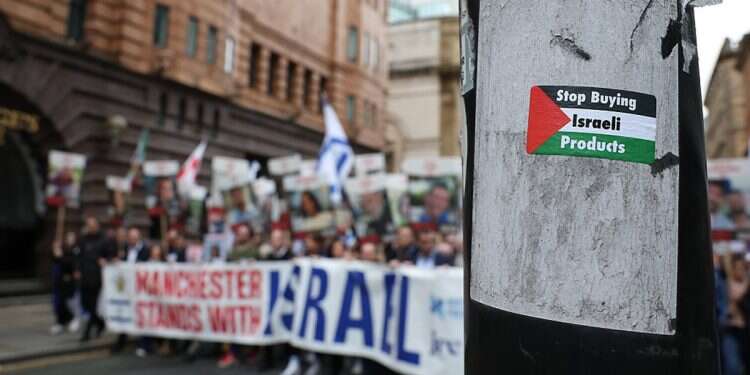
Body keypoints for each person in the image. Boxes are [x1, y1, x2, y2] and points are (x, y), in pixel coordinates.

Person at [76, 216, 107, 342]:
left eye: (93, 225)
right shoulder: (83, 240)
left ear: (97, 226)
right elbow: (78, 256)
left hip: (97, 277)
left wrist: (105, 261)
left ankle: (87, 332)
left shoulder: (103, 240)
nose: (91, 227)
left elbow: (109, 255)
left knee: (93, 305)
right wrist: (77, 269)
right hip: (85, 277)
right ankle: (100, 323)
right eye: (89, 225)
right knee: (85, 304)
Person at [721, 253, 749, 375]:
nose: (740, 271)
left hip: (744, 329)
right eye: (738, 268)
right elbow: (735, 296)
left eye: (742, 268)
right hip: (730, 328)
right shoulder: (728, 282)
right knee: (733, 365)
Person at [50, 231, 79, 335]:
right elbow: (56, 261)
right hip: (60, 280)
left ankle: (73, 318)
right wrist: (55, 250)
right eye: (68, 238)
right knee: (59, 302)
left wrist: (60, 257)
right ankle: (60, 322)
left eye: (72, 238)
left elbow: (70, 264)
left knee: (69, 302)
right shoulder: (63, 249)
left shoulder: (76, 250)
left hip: (70, 281)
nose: (69, 240)